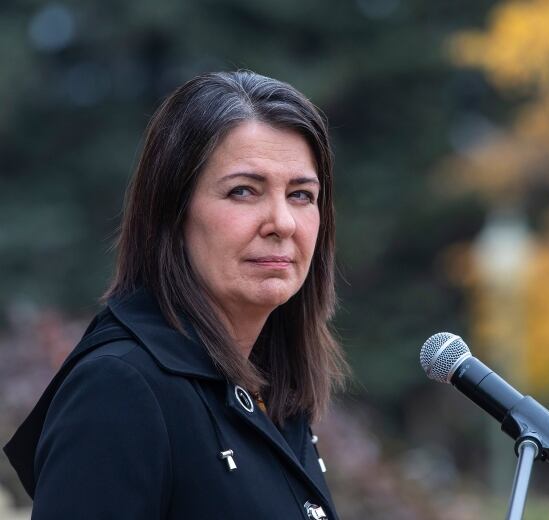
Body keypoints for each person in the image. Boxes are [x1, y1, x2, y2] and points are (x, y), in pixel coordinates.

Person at [3, 70, 348, 519]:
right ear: (172, 211)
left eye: (302, 195)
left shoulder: (272, 389)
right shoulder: (120, 388)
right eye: (243, 191)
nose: (282, 222)